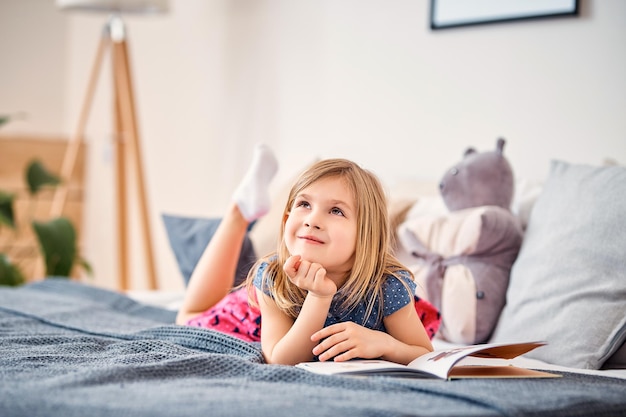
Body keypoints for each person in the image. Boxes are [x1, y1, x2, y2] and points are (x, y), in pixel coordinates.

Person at [176, 144, 440, 366]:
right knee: (188, 318)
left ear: (366, 234)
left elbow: (424, 355)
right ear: (286, 218)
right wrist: (319, 296)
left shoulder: (387, 286)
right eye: (304, 204)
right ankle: (239, 210)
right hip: (256, 318)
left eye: (336, 211)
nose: (312, 220)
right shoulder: (272, 274)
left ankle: (243, 208)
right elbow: (279, 359)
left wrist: (384, 344)